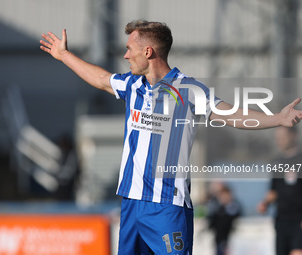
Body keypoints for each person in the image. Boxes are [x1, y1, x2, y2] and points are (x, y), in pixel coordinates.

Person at [40, 20, 302, 254]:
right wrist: (64, 56)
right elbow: (100, 79)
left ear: (148, 52)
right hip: (132, 202)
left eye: (130, 49)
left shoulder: (188, 89)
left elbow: (232, 114)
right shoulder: (133, 86)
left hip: (167, 206)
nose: (125, 55)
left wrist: (277, 119)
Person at [257, 126, 302, 255]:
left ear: (293, 135)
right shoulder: (276, 162)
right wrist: (265, 203)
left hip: (298, 219)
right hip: (281, 220)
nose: (280, 140)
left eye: (283, 137)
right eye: (278, 138)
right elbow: (274, 190)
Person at [207, 184, 241, 255]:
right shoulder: (217, 209)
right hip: (219, 239)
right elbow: (211, 221)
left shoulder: (233, 208)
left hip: (229, 239)